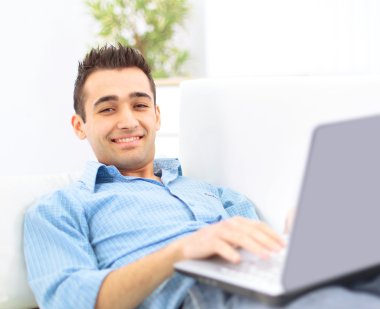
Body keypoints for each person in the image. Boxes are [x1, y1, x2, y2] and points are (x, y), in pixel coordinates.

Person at [24, 44, 380, 309]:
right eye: (108, 109)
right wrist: (179, 253)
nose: (129, 120)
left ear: (158, 116)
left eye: (140, 105)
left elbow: (265, 258)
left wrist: (299, 236)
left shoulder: (210, 192)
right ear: (79, 126)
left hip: (274, 291)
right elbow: (69, 300)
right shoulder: (59, 208)